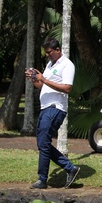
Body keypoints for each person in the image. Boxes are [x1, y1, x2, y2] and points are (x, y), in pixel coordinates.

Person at [25, 37, 80, 189]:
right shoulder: (50, 64)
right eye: (46, 53)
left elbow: (67, 88)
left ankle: (42, 179)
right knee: (43, 143)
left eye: (49, 52)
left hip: (55, 108)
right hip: (45, 107)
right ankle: (70, 168)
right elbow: (42, 86)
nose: (47, 55)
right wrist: (34, 79)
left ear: (57, 50)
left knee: (43, 143)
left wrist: (44, 79)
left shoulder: (67, 65)